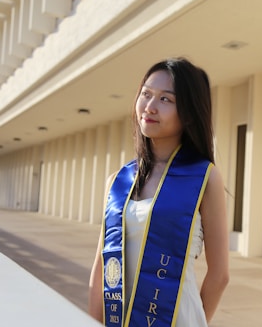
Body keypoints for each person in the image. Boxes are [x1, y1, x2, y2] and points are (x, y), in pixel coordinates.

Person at [88, 57, 229, 327]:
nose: (150, 107)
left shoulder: (204, 178)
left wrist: (193, 319)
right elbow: (102, 268)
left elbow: (220, 275)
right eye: (146, 94)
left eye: (166, 99)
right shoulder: (119, 181)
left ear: (187, 113)